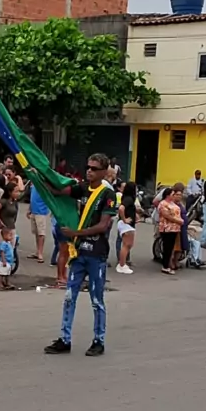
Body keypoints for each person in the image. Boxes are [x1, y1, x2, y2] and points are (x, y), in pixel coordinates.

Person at [44, 153, 117, 357]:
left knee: (96, 300)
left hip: (96, 254)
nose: (89, 171)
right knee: (69, 297)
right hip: (79, 253)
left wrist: (75, 233)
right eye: (88, 167)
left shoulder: (108, 195)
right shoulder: (82, 188)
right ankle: (64, 339)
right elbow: (58, 191)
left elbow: (103, 225)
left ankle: (98, 341)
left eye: (94, 168)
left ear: (104, 172)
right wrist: (37, 175)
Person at [158, 187, 182, 275]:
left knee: (171, 248)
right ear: (167, 195)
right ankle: (165, 266)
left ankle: (167, 264)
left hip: (174, 229)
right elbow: (167, 215)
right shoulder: (163, 204)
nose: (174, 196)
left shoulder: (173, 204)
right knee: (167, 248)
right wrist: (178, 221)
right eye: (172, 194)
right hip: (166, 228)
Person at [27, 184, 50, 263]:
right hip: (34, 211)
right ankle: (37, 252)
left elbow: (48, 197)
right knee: (36, 232)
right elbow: (32, 198)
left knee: (41, 233)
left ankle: (40, 253)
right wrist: (29, 209)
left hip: (41, 212)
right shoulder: (33, 185)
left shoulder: (42, 185)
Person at [116, 181, 136, 275]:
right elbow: (121, 208)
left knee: (128, 244)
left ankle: (122, 263)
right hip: (126, 225)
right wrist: (124, 219)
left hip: (126, 224)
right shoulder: (129, 199)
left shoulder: (127, 198)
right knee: (126, 245)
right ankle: (122, 265)